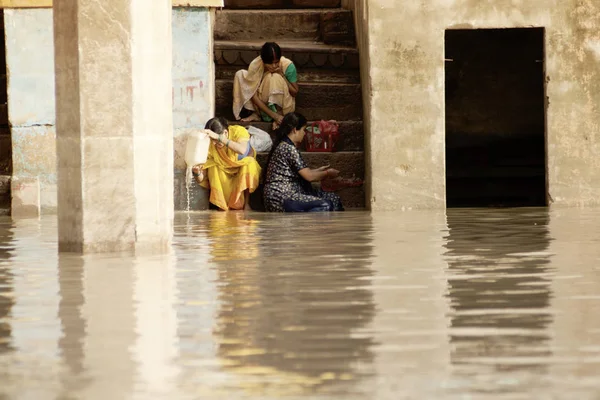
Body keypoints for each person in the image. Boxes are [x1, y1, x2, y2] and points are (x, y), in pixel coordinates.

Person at [263, 112, 344, 212]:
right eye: (303, 130)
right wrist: (327, 173)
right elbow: (309, 176)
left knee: (334, 199)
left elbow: (303, 173)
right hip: (282, 197)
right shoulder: (288, 148)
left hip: (290, 194)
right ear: (295, 130)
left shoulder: (288, 146)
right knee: (325, 205)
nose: (304, 133)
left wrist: (318, 170)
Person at [192, 117, 261, 211]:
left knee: (250, 164)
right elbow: (200, 179)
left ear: (225, 132)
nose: (215, 143)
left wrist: (219, 138)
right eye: (213, 140)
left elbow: (242, 150)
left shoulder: (238, 131)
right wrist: (196, 172)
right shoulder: (211, 145)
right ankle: (222, 206)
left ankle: (246, 204)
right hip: (223, 174)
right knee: (213, 166)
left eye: (216, 140)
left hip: (241, 169)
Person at [233, 42, 299, 129]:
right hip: (262, 103)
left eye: (276, 62)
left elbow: (294, 92)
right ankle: (259, 114)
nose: (274, 66)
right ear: (263, 61)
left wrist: (282, 75)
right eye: (270, 63)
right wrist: (274, 116)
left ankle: (280, 115)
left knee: (274, 77)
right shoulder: (257, 65)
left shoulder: (287, 65)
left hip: (284, 106)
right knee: (240, 74)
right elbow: (253, 95)